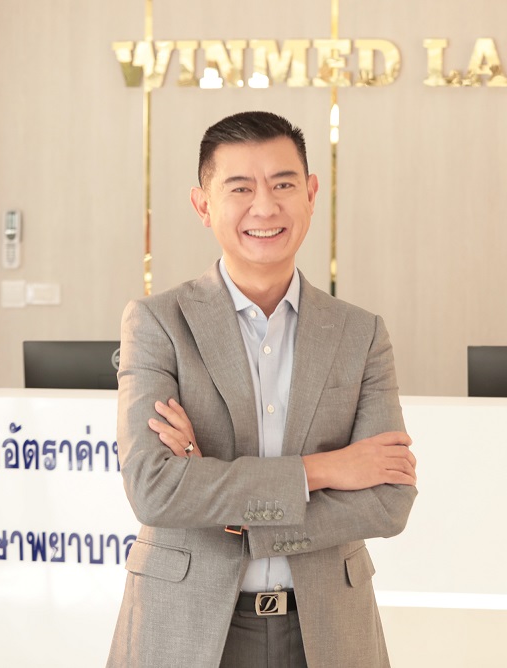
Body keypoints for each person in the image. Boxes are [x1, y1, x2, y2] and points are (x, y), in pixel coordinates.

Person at [107, 111, 418, 668]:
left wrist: (225, 503)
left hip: (328, 630)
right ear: (203, 205)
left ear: (311, 194)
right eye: (240, 188)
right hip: (186, 627)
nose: (265, 207)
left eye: (283, 184)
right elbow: (155, 490)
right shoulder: (158, 323)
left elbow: (387, 501)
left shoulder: (361, 333)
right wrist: (324, 471)